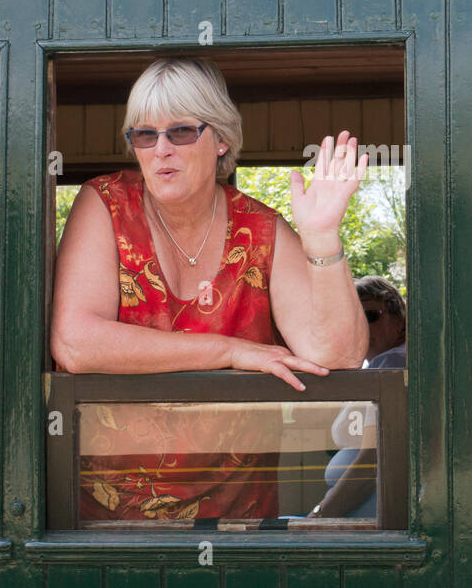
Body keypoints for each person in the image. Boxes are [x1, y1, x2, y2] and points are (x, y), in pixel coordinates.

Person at [51, 57, 370, 521]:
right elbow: (75, 343)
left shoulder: (261, 228)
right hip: (107, 520)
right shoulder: (104, 203)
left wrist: (322, 238)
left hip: (236, 519)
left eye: (180, 131)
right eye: (144, 134)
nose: (161, 149)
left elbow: (336, 356)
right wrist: (231, 351)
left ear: (221, 139)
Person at [307, 276, 408, 518]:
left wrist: (319, 517)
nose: (359, 326)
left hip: (373, 523)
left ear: (399, 320)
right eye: (350, 319)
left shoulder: (390, 364)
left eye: (370, 316)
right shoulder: (381, 363)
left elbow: (372, 461)